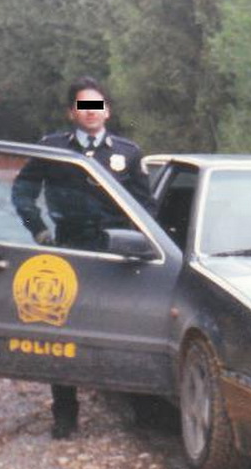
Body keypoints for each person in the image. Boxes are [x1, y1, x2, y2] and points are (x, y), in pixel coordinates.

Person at [12, 76, 149, 439]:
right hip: (69, 245)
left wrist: (143, 244)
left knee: (121, 324)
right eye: (84, 106)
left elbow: (145, 207)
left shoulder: (128, 152)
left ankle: (134, 405)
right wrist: (39, 230)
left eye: (98, 105)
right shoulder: (53, 147)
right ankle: (65, 412)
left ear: (107, 109)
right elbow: (23, 191)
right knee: (65, 327)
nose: (92, 113)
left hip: (116, 249)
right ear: (72, 111)